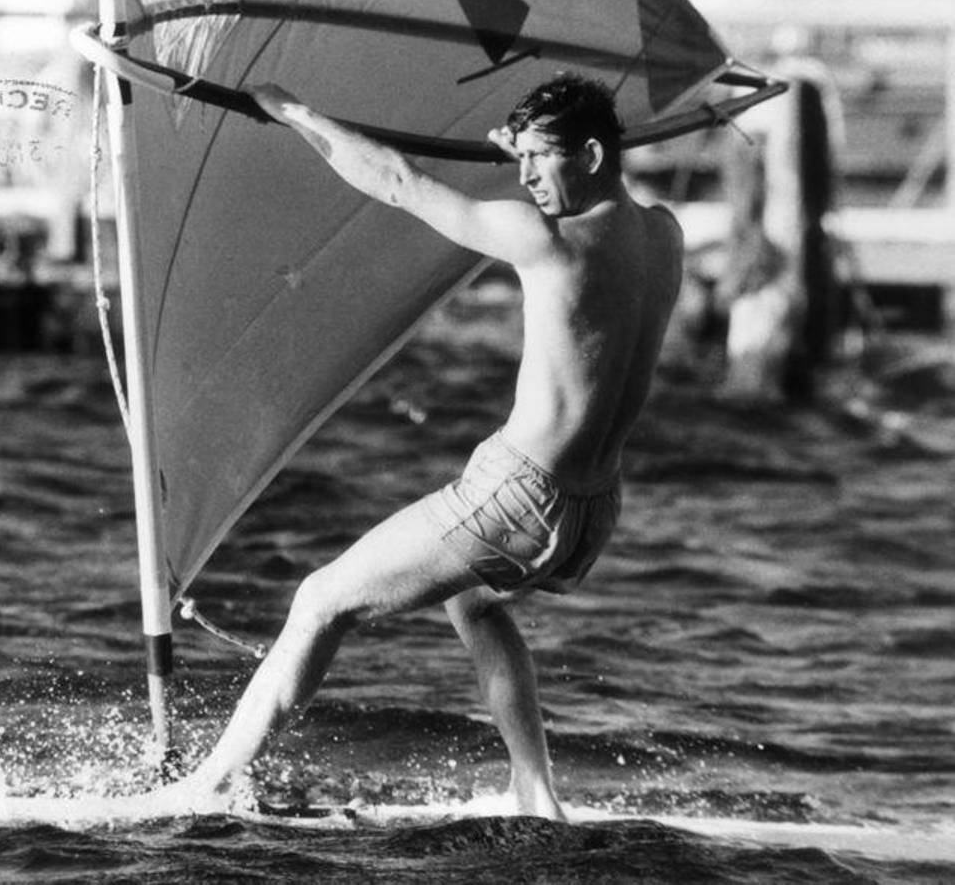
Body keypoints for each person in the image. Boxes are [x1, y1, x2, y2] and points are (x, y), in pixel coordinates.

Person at [178, 73, 683, 821]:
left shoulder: (541, 238)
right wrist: (538, 154)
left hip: (520, 494)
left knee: (320, 600)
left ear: (590, 153)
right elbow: (588, 221)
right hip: (593, 511)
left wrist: (294, 110)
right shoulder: (664, 234)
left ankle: (205, 785)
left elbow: (398, 182)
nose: (526, 178)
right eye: (521, 162)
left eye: (540, 160)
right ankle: (534, 793)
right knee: (475, 603)